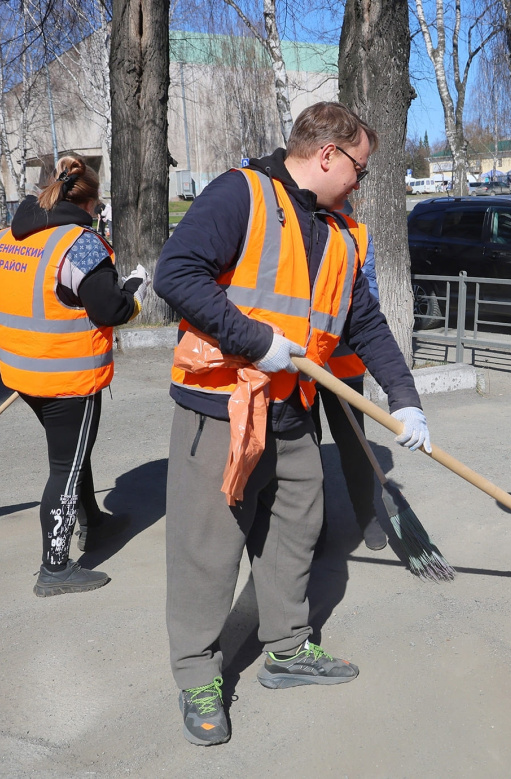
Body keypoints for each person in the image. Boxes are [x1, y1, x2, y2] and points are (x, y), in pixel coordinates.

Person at [153, 101, 430, 747]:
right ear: (328, 153)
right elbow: (177, 275)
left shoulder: (334, 230)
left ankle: (286, 648)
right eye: (360, 167)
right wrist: (252, 339)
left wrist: (405, 397)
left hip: (292, 408)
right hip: (222, 405)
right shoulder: (240, 194)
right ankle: (198, 675)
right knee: (209, 545)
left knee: (298, 523)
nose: (362, 181)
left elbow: (364, 320)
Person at [0, 155, 149, 597]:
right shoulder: (81, 246)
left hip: (21, 373)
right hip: (69, 379)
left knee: (71, 458)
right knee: (65, 468)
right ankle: (54, 568)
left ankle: (93, 521)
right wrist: (132, 292)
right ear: (89, 202)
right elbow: (108, 309)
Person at [311, 228, 386, 551]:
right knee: (306, 450)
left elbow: (369, 297)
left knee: (355, 447)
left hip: (344, 364)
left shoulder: (359, 235)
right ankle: (315, 525)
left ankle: (367, 515)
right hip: (301, 366)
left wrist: (335, 332)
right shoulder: (292, 226)